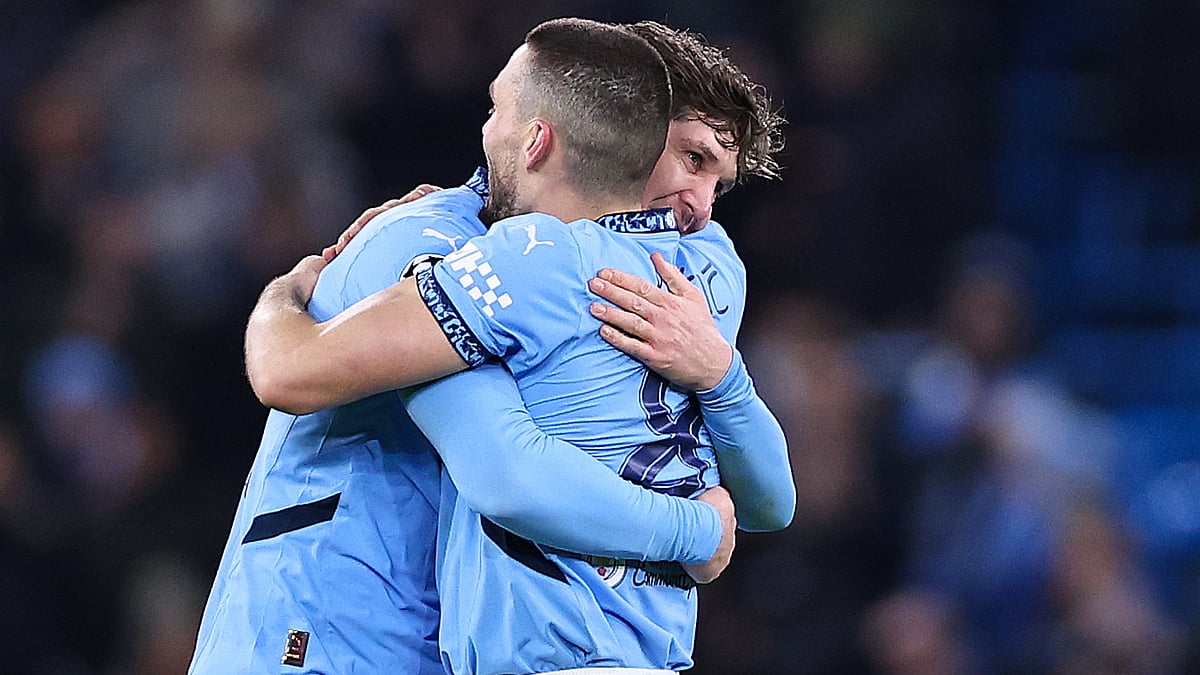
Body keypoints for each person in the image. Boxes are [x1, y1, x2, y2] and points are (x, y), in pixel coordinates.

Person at [189, 20, 743, 675]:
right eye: (691, 158)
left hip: (411, 642)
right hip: (317, 633)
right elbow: (503, 464)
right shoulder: (439, 251)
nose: (698, 207)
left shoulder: (571, 277)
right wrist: (699, 532)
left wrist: (721, 376)